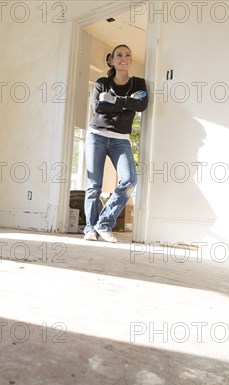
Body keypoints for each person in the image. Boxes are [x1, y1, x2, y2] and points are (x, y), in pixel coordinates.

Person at [83, 44, 148, 243]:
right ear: (111, 60)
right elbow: (99, 107)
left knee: (129, 181)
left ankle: (104, 223)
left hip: (121, 139)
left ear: (130, 60)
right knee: (94, 185)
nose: (124, 58)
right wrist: (127, 102)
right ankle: (90, 229)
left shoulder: (139, 83)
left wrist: (114, 100)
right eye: (119, 55)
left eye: (128, 55)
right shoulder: (102, 82)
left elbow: (142, 105)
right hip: (97, 136)